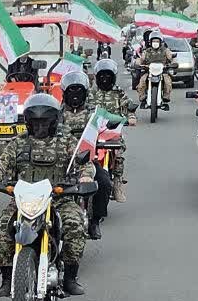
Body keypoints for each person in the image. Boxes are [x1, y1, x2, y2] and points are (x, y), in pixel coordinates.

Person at [0, 93, 94, 297]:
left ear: (54, 122)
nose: (40, 127)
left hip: (59, 199)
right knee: (1, 231)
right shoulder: (17, 144)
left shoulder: (67, 142)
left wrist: (85, 178)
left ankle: (71, 277)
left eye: (44, 122)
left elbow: (84, 164)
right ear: (28, 123)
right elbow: (1, 166)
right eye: (35, 123)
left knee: (75, 226)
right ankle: (7, 277)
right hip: (23, 200)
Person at [59, 71, 112, 240]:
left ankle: (95, 221)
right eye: (71, 90)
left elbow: (109, 132)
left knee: (103, 182)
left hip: (86, 161)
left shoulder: (95, 114)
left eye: (78, 90)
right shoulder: (56, 115)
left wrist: (107, 141)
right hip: (62, 162)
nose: (75, 95)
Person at [88, 58, 136, 203]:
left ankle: (117, 183)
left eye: (107, 76)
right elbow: (83, 107)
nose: (104, 79)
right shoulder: (91, 93)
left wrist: (131, 116)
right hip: (93, 131)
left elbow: (128, 105)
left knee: (119, 154)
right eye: (101, 76)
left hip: (112, 132)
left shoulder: (118, 93)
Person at [135, 32, 175, 110]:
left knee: (168, 82)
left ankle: (166, 97)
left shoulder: (165, 50)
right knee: (142, 82)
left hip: (162, 71)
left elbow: (171, 59)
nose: (155, 43)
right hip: (149, 71)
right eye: (154, 41)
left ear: (160, 42)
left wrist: (174, 63)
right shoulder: (147, 51)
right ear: (150, 42)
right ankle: (143, 97)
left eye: (157, 41)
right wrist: (138, 63)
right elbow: (141, 59)